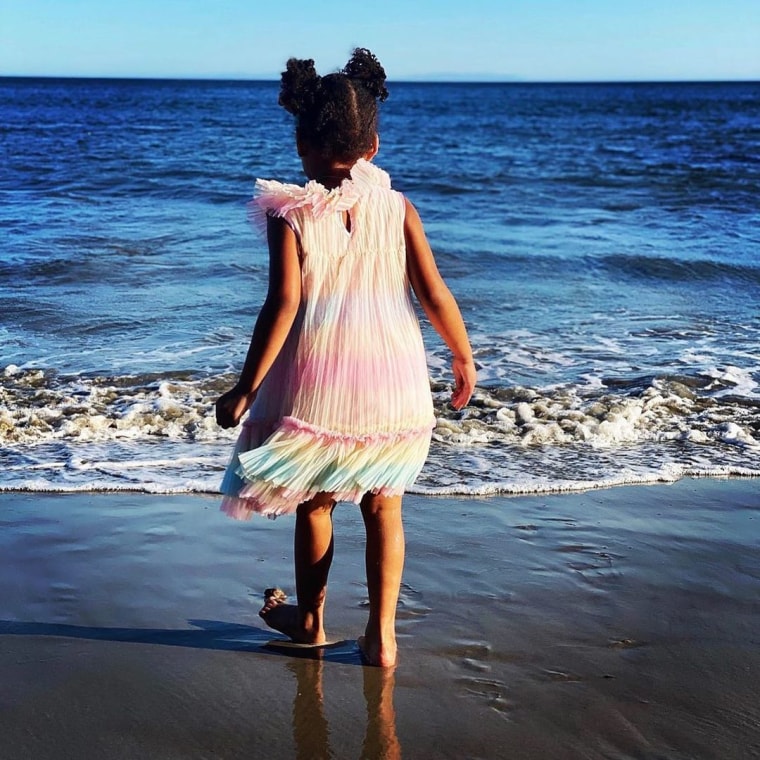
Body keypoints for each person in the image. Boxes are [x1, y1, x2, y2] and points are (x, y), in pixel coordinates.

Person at [215, 48, 476, 667]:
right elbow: (433, 292)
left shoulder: (290, 215)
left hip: (319, 377)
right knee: (385, 501)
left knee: (316, 500)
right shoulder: (398, 207)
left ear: (302, 144)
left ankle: (310, 620)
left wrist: (246, 387)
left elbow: (282, 306)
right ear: (373, 146)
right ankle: (381, 635)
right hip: (392, 374)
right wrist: (462, 357)